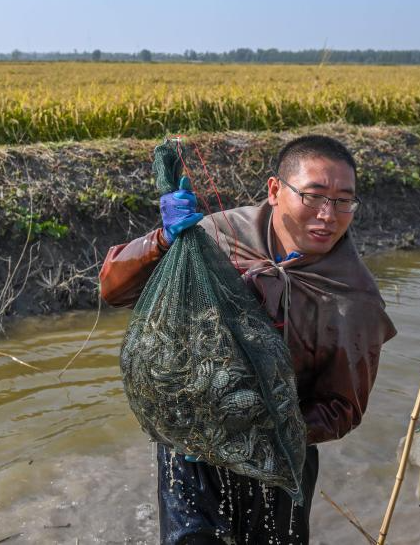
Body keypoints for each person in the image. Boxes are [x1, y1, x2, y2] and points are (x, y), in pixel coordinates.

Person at [100, 135, 397, 544]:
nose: (328, 214)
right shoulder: (213, 237)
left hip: (279, 460)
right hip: (192, 447)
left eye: (344, 201)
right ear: (275, 190)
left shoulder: (353, 297)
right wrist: (162, 241)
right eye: (314, 196)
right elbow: (114, 291)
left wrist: (261, 430)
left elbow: (343, 408)